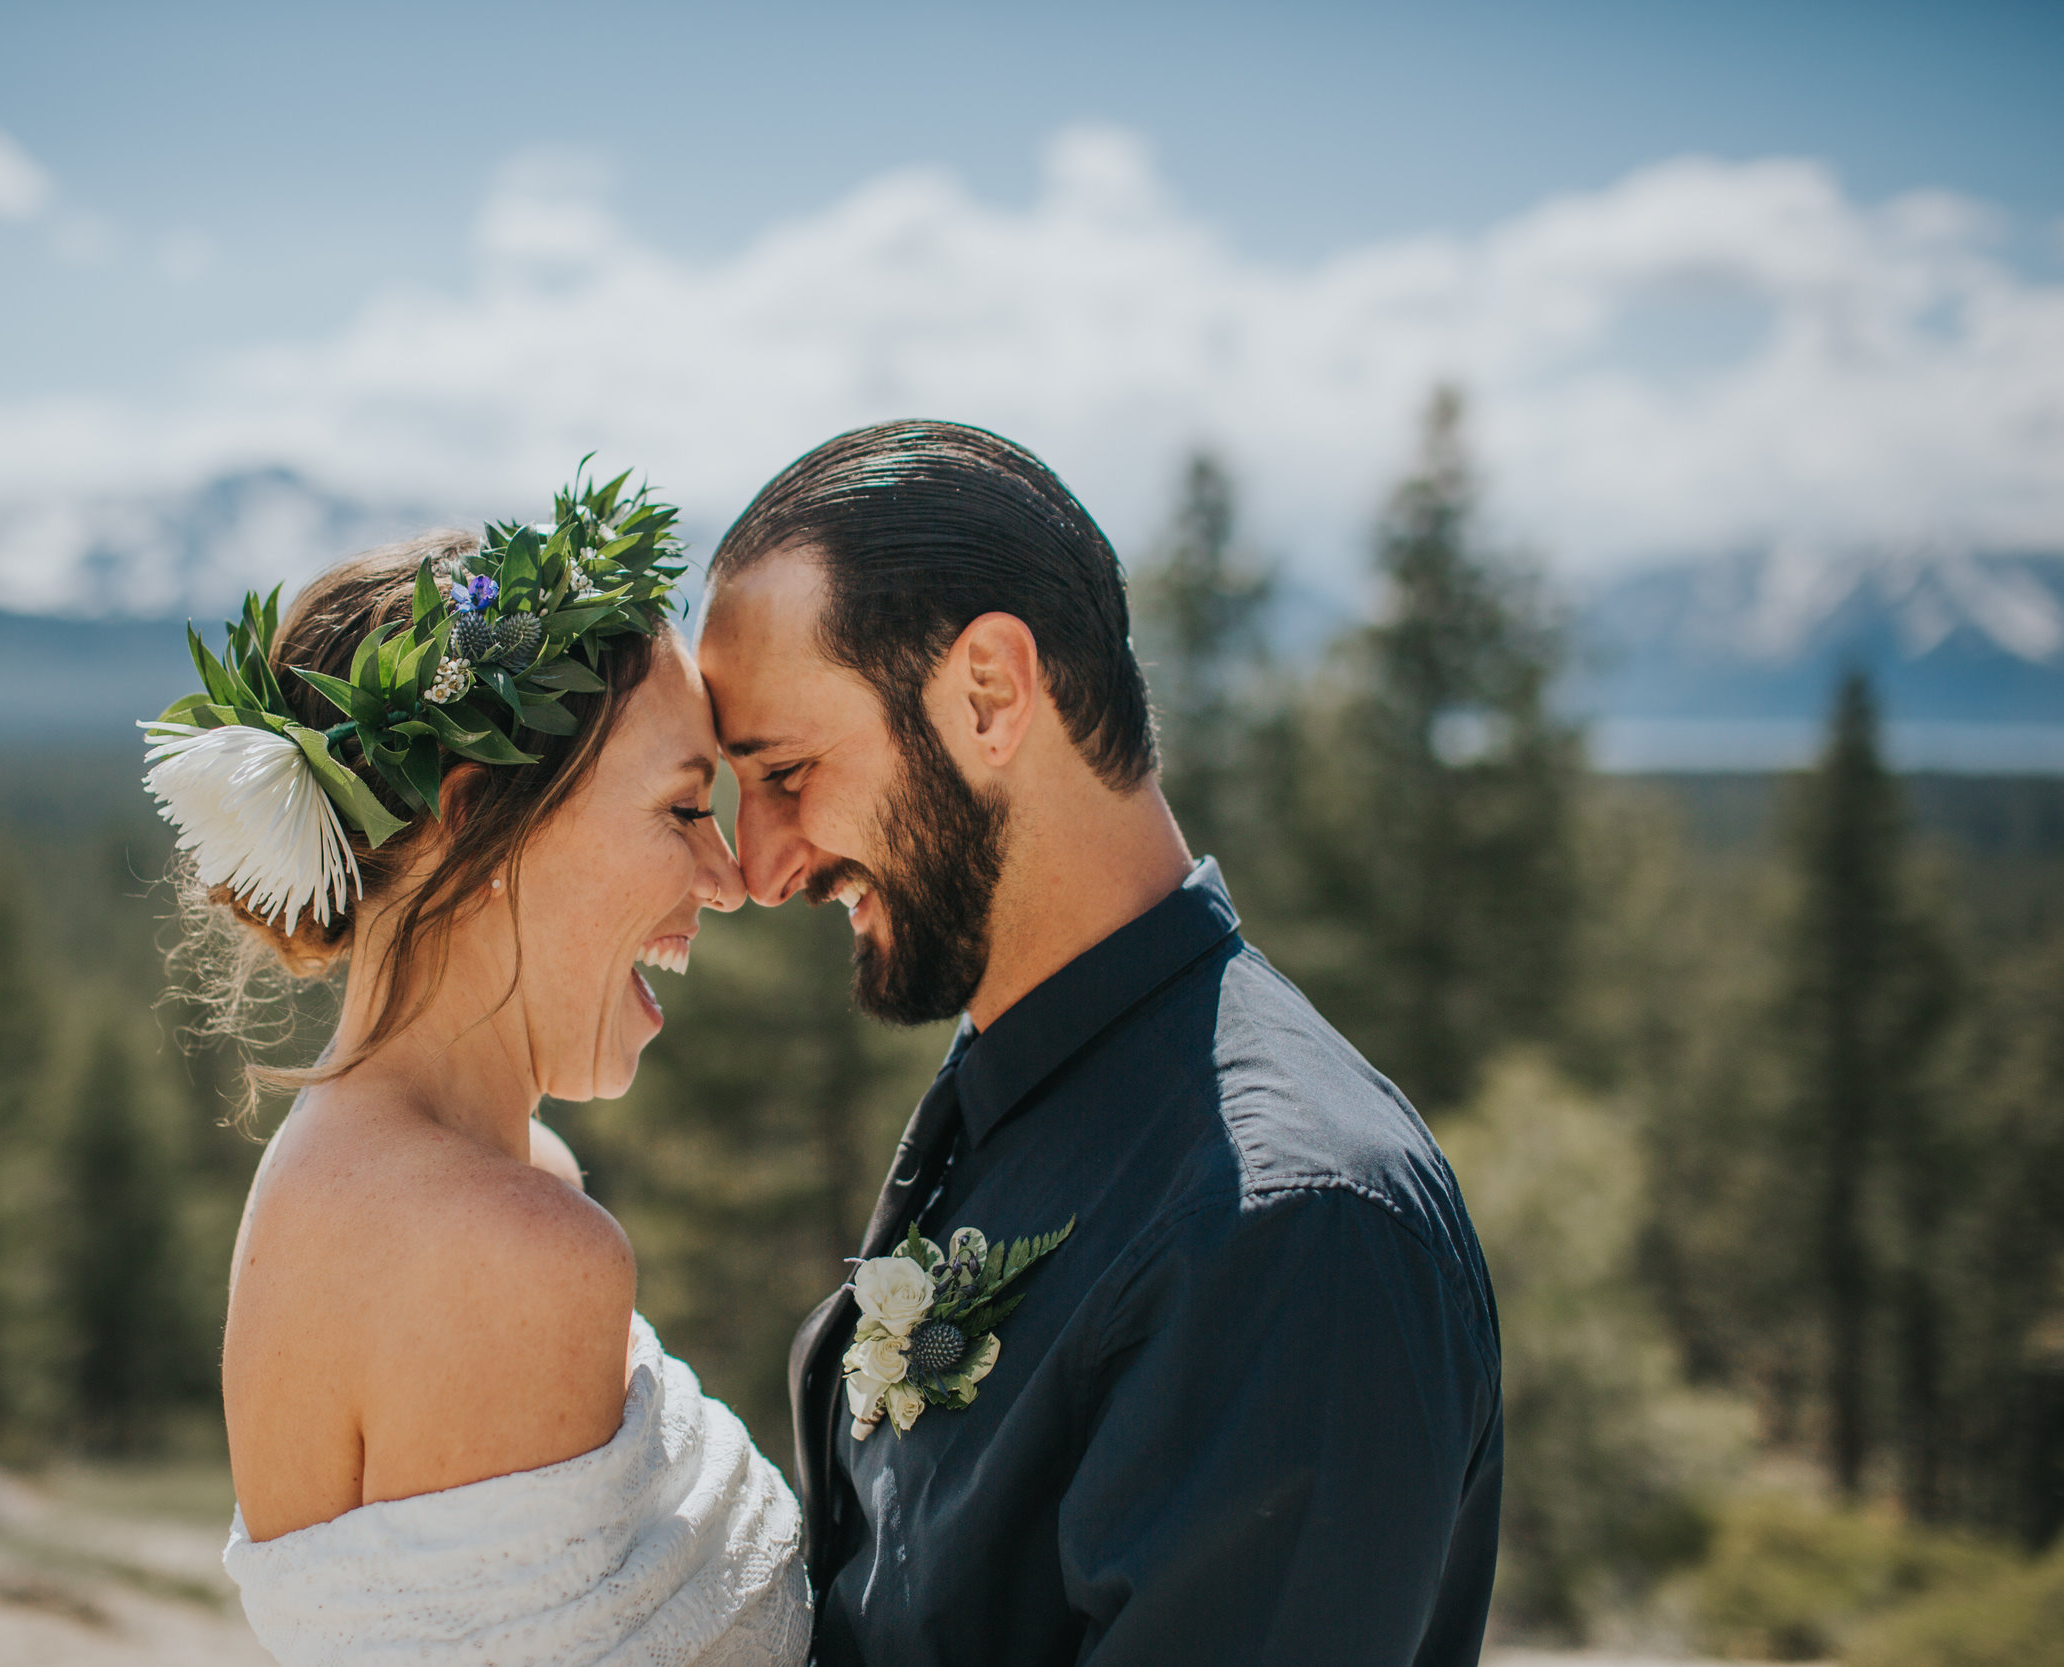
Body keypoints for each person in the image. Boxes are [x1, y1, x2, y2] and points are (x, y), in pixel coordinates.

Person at [696, 420, 1504, 1666]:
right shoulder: (1034, 1092)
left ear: (990, 693)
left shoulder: (1291, 1227)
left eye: (789, 770)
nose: (757, 865)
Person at [141, 476, 812, 1665]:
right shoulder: (502, 1247)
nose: (727, 876)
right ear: (474, 818)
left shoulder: (400, 1175)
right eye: (679, 806)